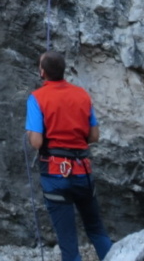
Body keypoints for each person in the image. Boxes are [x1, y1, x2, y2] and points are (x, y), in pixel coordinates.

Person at [26, 51, 114, 261]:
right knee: (96, 230)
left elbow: (37, 142)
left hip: (56, 175)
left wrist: (30, 132)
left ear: (42, 72)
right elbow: (94, 135)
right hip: (83, 171)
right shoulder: (82, 94)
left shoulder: (37, 98)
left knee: (68, 243)